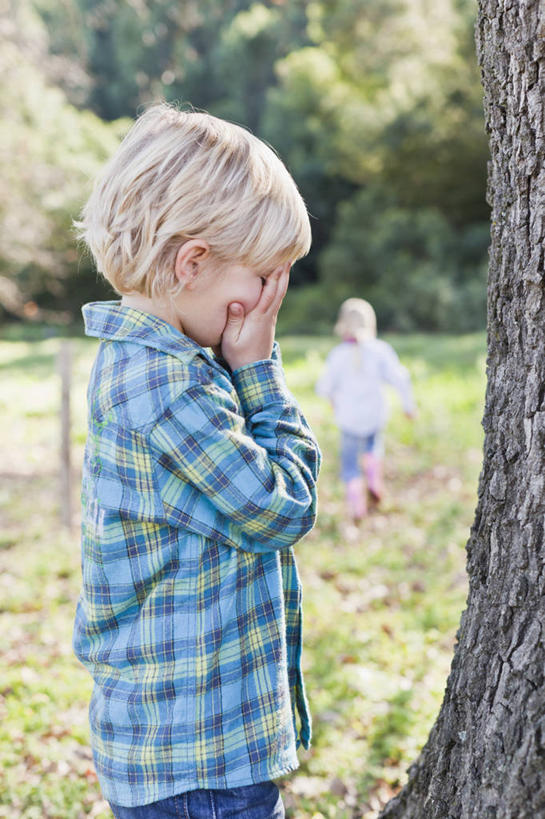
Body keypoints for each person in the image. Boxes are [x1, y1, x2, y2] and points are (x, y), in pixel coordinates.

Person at [72, 103, 321, 818]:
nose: (266, 308)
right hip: (197, 765)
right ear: (192, 263)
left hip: (183, 753)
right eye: (264, 282)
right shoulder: (168, 385)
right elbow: (282, 506)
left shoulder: (154, 362)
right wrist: (259, 369)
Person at [316, 298, 415, 521]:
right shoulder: (381, 350)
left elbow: (323, 387)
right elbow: (401, 378)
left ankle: (357, 507)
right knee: (372, 447)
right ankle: (373, 477)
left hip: (349, 418)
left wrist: (332, 398)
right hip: (374, 415)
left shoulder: (338, 355)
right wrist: (408, 406)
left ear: (342, 325)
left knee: (350, 464)